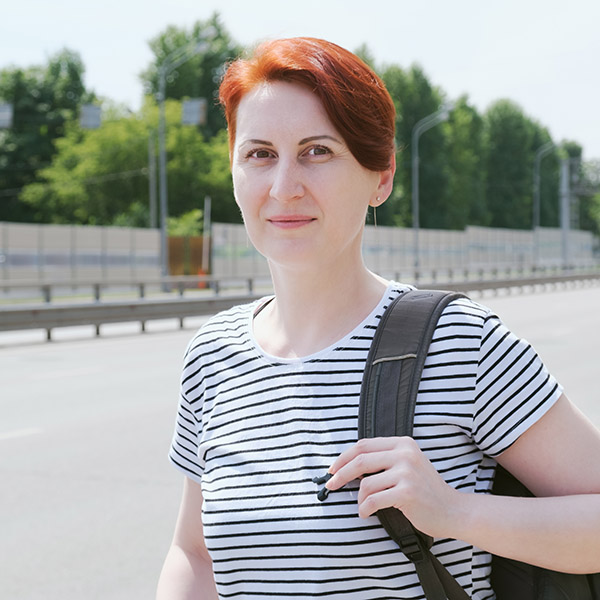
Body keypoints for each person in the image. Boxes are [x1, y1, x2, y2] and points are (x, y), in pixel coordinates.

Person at [157, 37, 600, 599]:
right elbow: (194, 554)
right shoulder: (214, 356)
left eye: (317, 151)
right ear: (235, 174)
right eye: (260, 154)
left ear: (381, 176)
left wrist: (457, 513)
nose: (283, 186)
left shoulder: (460, 342)